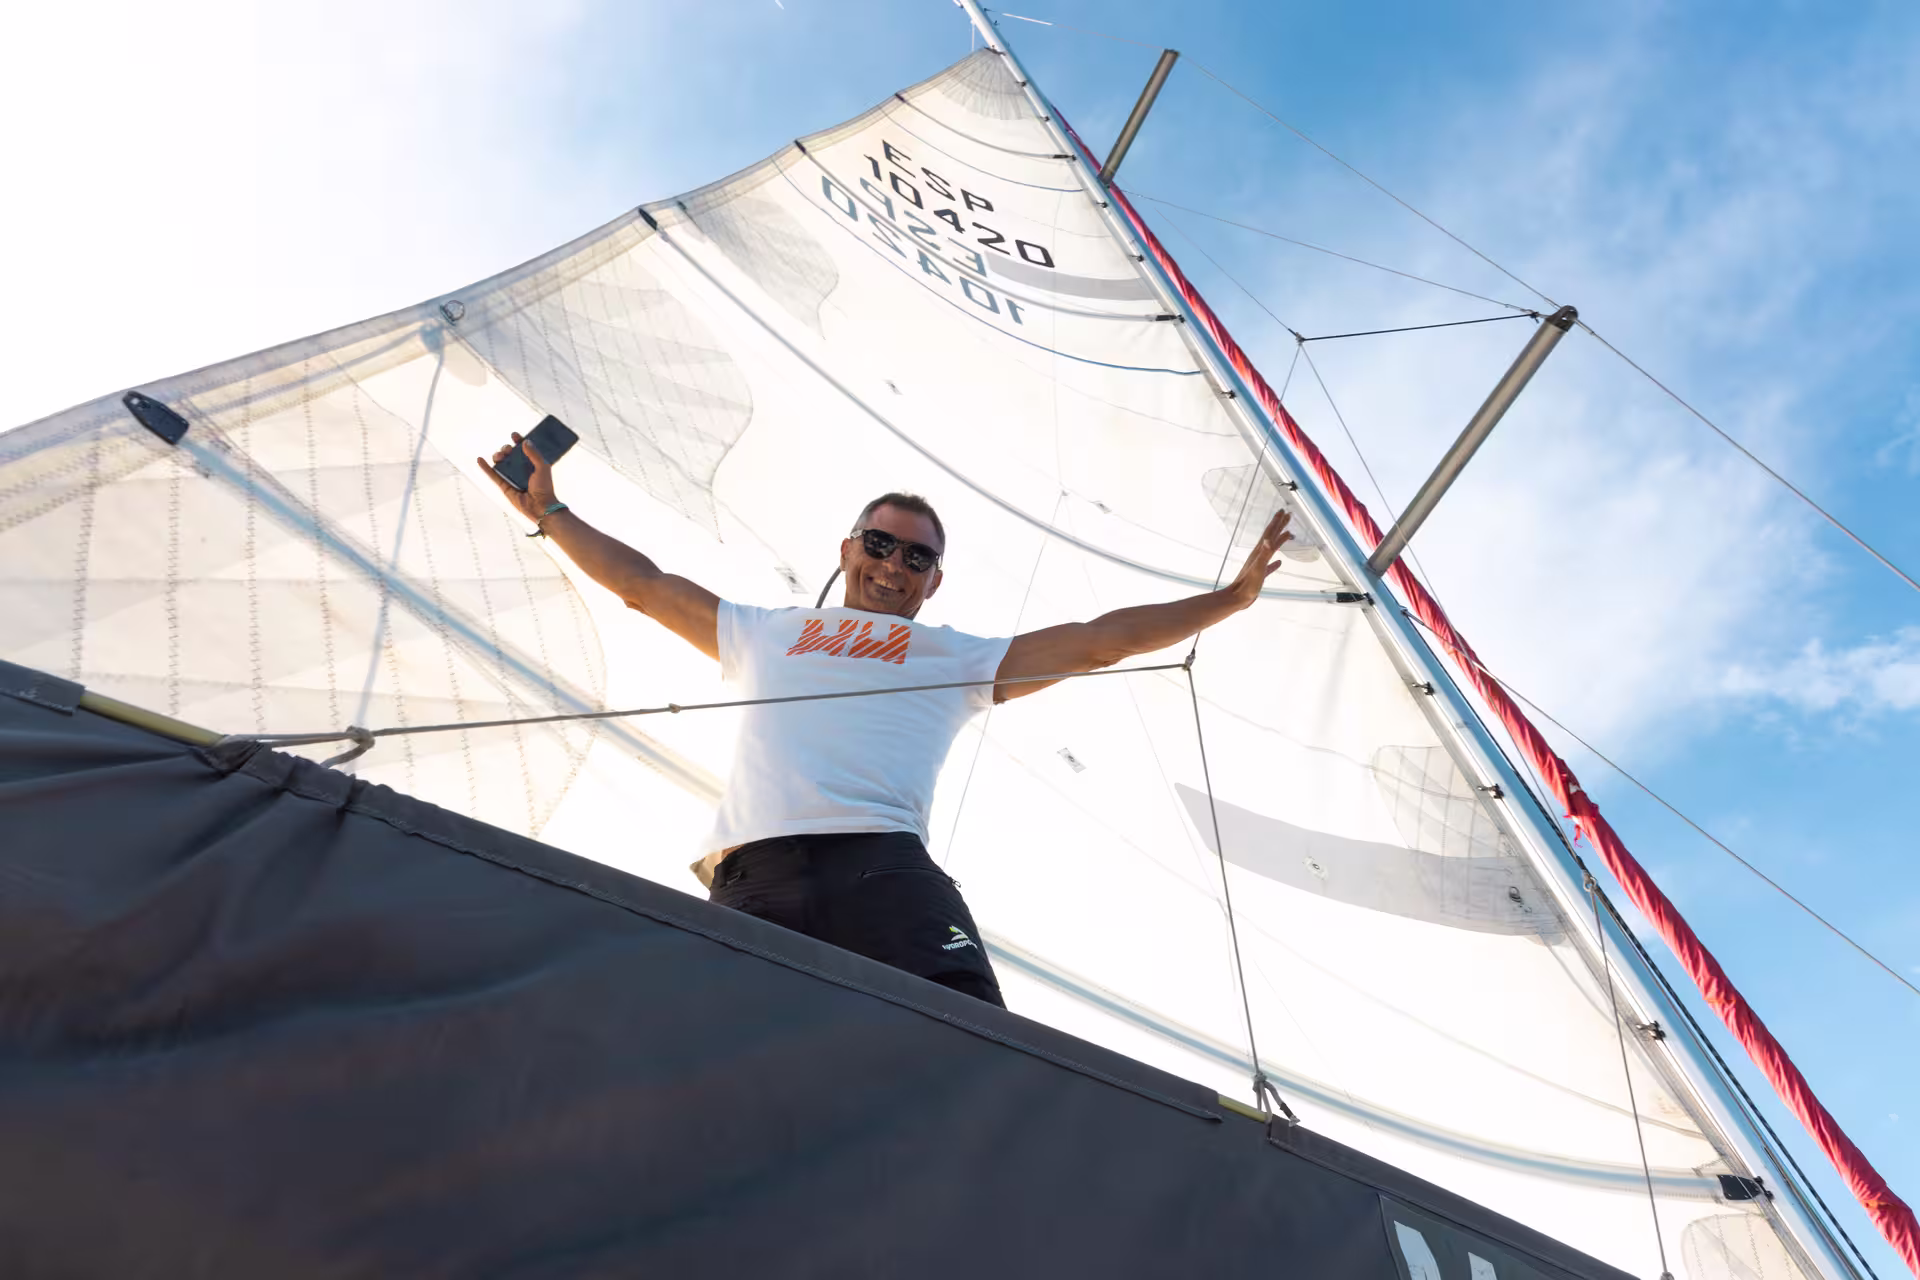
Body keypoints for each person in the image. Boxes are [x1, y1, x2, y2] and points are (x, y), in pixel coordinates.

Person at [479, 432, 1293, 1008]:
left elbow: (1095, 642)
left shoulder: (955, 656)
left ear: (933, 582)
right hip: (754, 874)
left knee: (967, 1039)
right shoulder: (770, 631)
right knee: (717, 1044)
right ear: (847, 549)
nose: (893, 564)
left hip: (885, 868)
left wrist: (1229, 599)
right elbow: (647, 586)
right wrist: (551, 514)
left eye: (917, 557)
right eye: (880, 543)